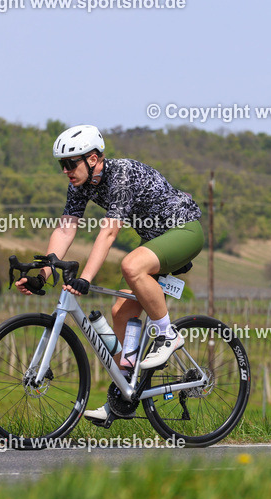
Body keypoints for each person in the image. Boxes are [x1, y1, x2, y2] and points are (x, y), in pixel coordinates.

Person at [16, 124, 204, 421]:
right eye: (61, 165)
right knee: (120, 313)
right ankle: (124, 393)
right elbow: (66, 229)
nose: (65, 170)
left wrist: (86, 279)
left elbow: (109, 233)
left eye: (70, 163)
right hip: (154, 241)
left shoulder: (122, 174)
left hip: (184, 231)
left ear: (93, 158)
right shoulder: (80, 185)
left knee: (131, 265)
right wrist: (43, 274)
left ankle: (168, 335)